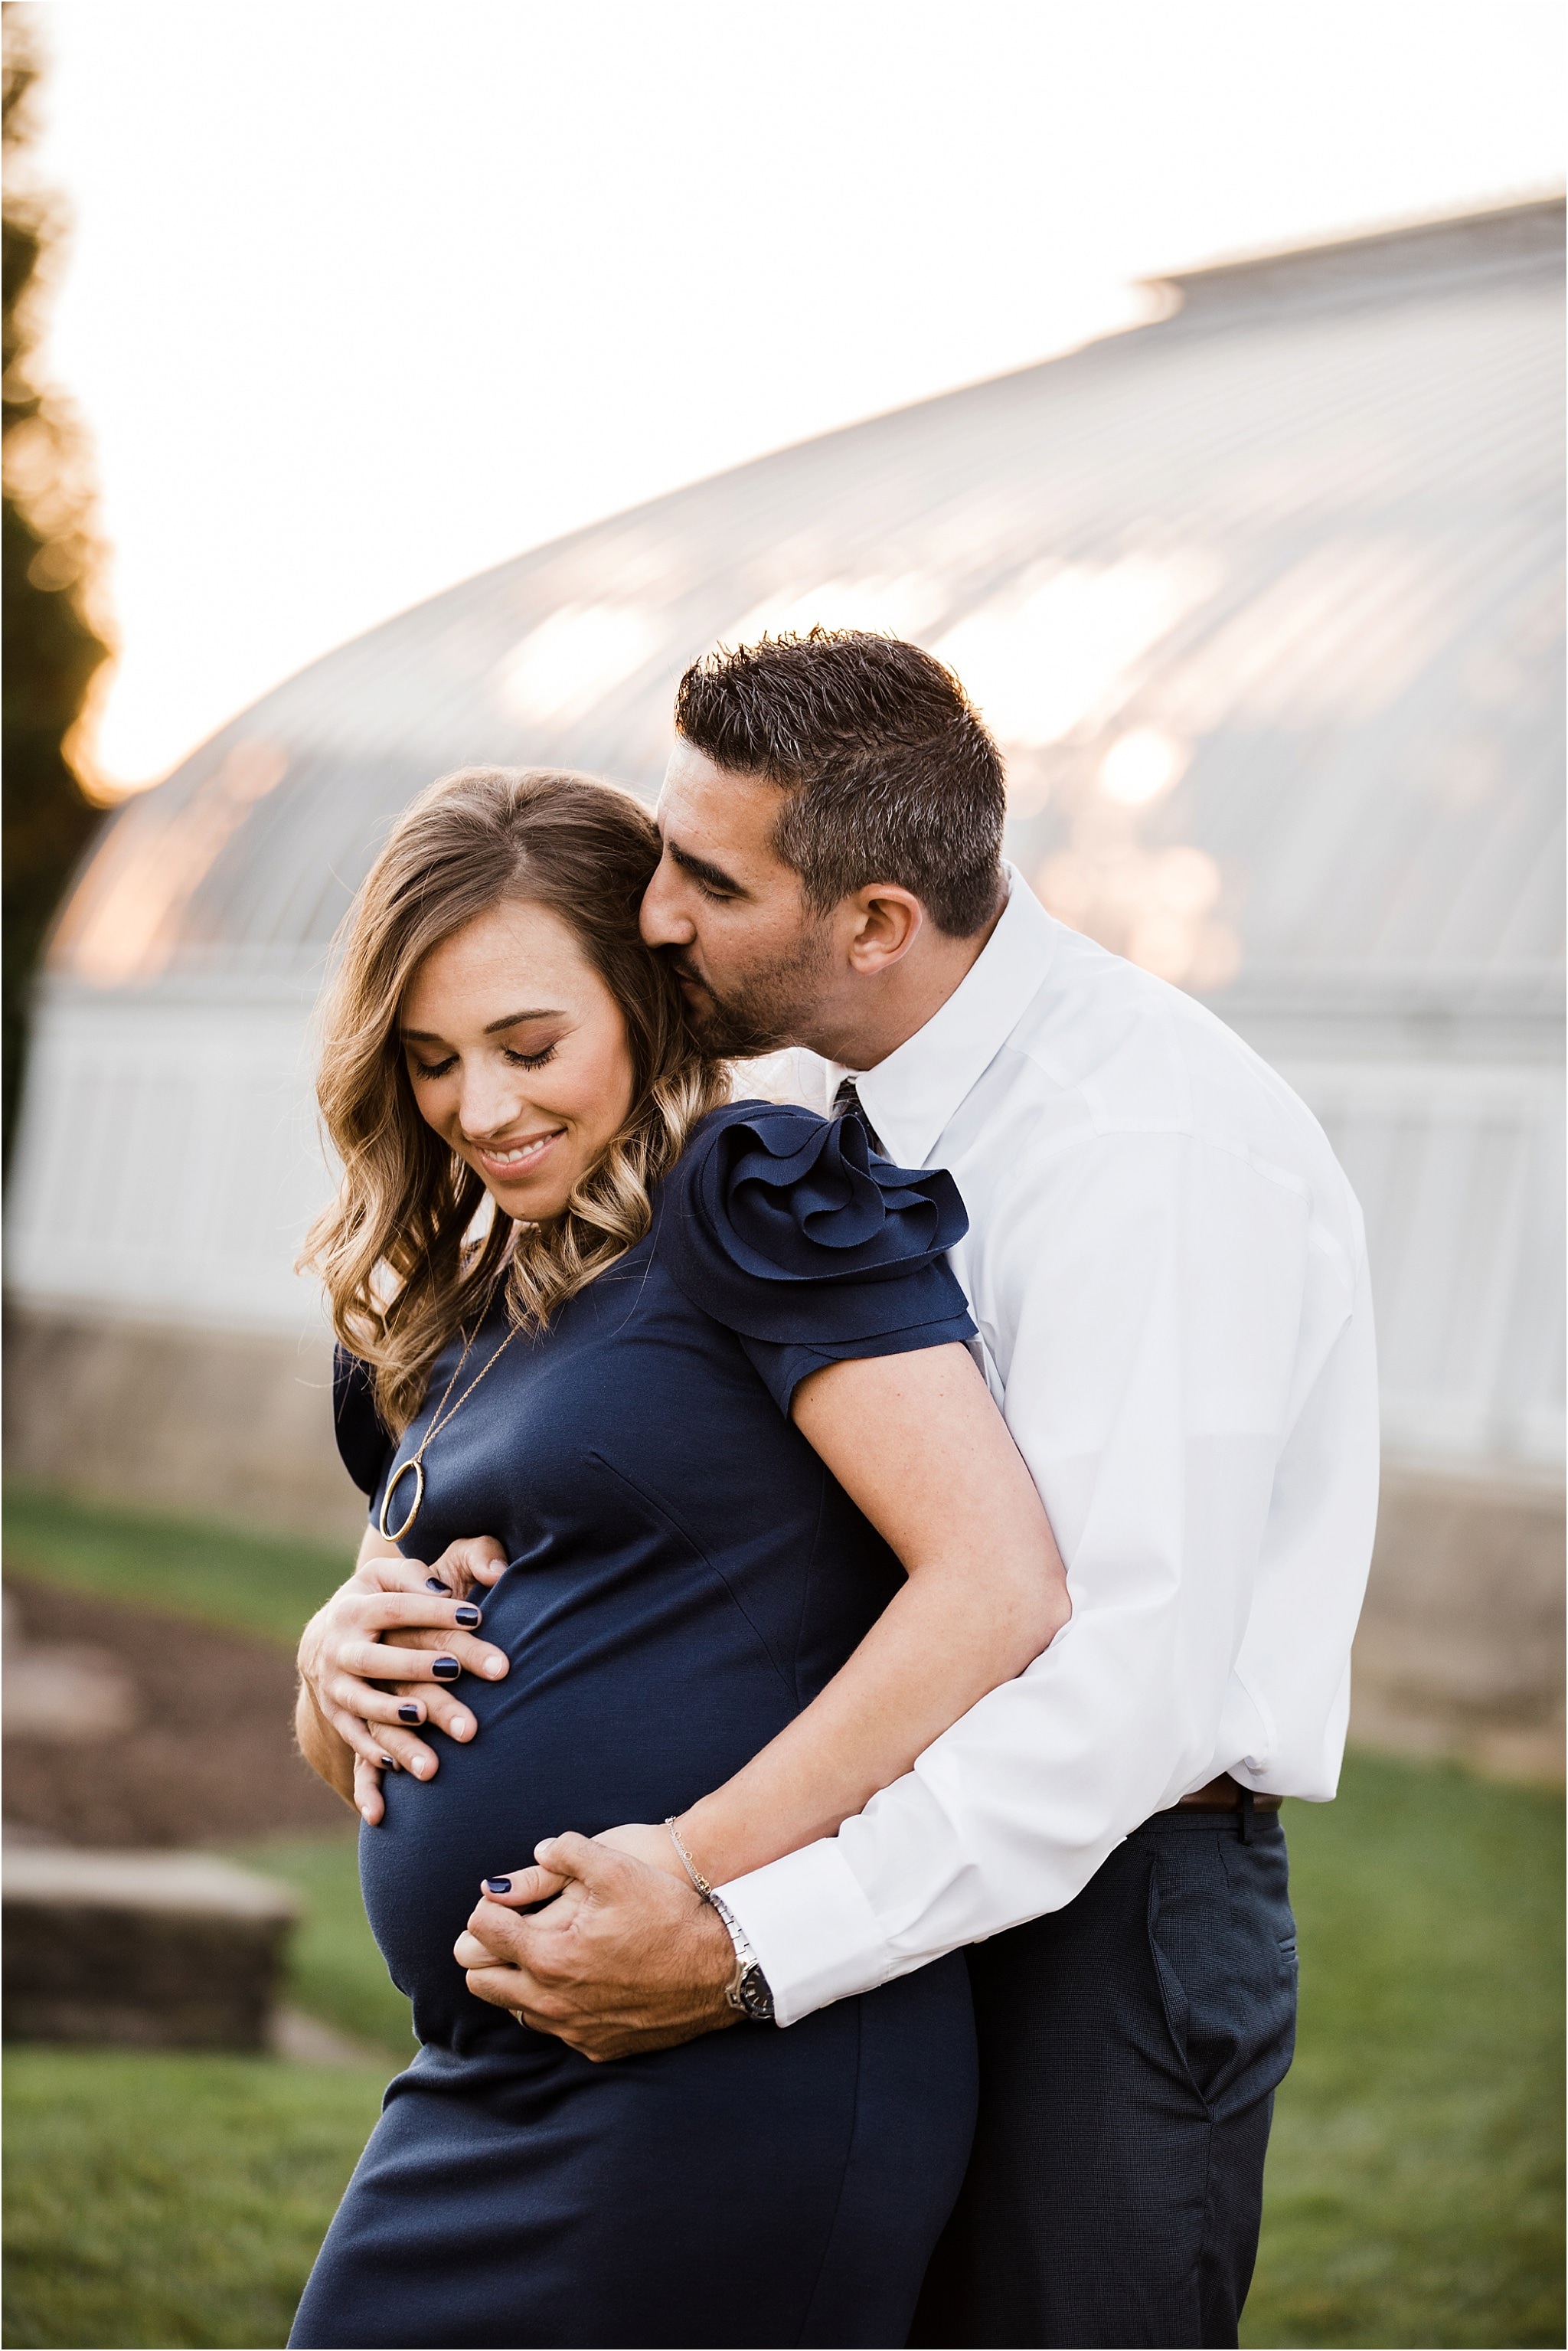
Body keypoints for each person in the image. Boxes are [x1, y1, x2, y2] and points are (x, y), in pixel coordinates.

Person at [303, 630, 1380, 2349]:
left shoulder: (1142, 1146)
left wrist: (732, 1926)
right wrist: (348, 1632)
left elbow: (1106, 1667)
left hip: (1099, 1911)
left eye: (702, 880)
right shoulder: (833, 1123)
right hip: (874, 1890)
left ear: (874, 917)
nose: (650, 912)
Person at [286, 762, 1069, 2351]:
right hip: (491, 2067)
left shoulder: (755, 1197)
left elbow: (996, 1580)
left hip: (724, 2060)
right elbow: (363, 1744)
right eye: (433, 1060)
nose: (481, 1108)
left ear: (646, 1002)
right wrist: (326, 1662)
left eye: (529, 1044)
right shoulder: (464, 1304)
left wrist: (688, 1864)